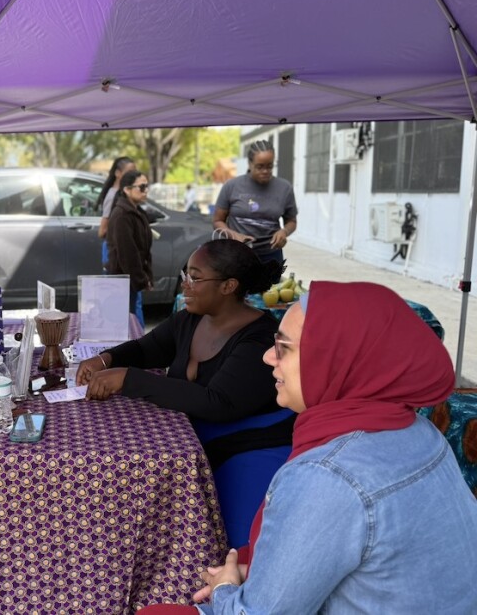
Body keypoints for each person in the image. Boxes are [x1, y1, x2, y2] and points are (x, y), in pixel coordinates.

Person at [142, 282, 477, 615]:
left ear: (336, 363)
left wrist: (224, 589)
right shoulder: (421, 432)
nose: (267, 357)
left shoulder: (326, 476)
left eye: (284, 348)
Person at [77, 239, 293, 546]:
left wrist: (128, 379)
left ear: (228, 286)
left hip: (246, 449)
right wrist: (105, 359)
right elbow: (146, 349)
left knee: (229, 542)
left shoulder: (257, 340)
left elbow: (218, 403)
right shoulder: (190, 319)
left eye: (195, 277)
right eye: (185, 276)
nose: (185, 286)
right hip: (192, 439)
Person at [213, 140, 297, 264]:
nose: (265, 171)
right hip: (237, 254)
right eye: (260, 167)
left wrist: (284, 232)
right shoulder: (232, 186)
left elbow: (292, 221)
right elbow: (217, 221)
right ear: (249, 163)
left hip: (271, 256)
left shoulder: (285, 188)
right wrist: (233, 235)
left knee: (272, 284)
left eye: (269, 166)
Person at [106, 170, 153, 328]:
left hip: (131, 279)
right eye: (141, 187)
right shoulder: (122, 215)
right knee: (125, 325)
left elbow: (143, 249)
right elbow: (128, 253)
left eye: (147, 186)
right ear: (127, 189)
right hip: (123, 280)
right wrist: (140, 279)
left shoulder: (136, 212)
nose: (145, 190)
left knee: (129, 322)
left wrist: (146, 275)